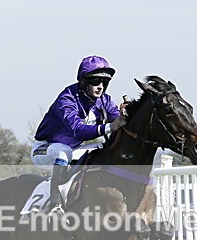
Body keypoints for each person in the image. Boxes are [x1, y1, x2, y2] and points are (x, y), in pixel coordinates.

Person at [31, 55, 127, 214]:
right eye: (96, 81)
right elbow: (77, 130)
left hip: (76, 148)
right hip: (44, 150)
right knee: (63, 151)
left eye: (105, 82)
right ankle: (55, 204)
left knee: (103, 149)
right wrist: (110, 126)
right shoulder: (67, 98)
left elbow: (119, 122)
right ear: (83, 81)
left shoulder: (104, 100)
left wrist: (127, 115)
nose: (101, 86)